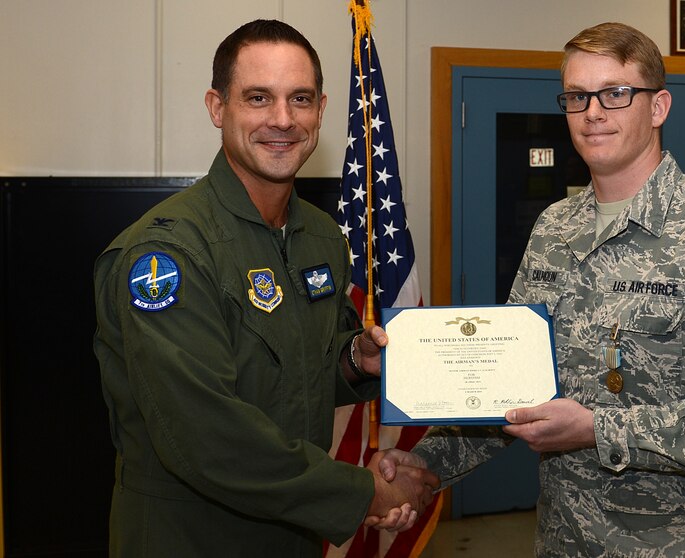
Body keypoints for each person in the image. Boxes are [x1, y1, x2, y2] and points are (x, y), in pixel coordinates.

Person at [375, 22, 685, 557]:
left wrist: (601, 429)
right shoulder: (554, 229)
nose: (593, 112)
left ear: (658, 107)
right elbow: (507, 388)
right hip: (563, 541)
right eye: (577, 96)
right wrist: (424, 465)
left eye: (615, 93)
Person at [93, 19, 438, 557]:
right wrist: (363, 493)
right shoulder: (168, 255)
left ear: (321, 110)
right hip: (191, 539)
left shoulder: (320, 238)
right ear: (217, 108)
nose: (283, 119)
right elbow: (207, 437)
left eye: (300, 99)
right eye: (258, 98)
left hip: (294, 533)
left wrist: (355, 361)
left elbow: (295, 378)